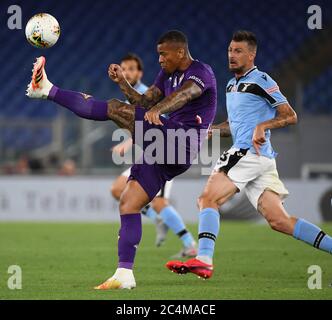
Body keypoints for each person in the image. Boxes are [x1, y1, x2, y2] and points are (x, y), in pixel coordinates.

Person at [26, 30, 217, 289]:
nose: (159, 59)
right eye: (158, 54)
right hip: (165, 146)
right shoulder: (166, 75)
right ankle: (124, 275)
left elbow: (184, 95)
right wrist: (123, 83)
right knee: (128, 202)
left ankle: (47, 90)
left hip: (180, 142)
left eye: (164, 54)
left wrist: (158, 110)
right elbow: (143, 100)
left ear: (180, 52)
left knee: (115, 109)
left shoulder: (200, 72)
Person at [166, 30, 332, 280]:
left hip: (248, 154)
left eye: (238, 51)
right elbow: (235, 125)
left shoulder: (261, 80)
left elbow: (290, 115)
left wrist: (263, 126)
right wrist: (211, 130)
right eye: (230, 50)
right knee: (280, 221)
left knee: (207, 199)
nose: (232, 55)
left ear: (252, 55)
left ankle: (204, 259)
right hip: (260, 160)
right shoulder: (232, 85)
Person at [111, 53, 197, 253]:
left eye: (131, 69)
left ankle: (190, 244)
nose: (126, 72)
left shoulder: (143, 94)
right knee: (117, 190)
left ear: (139, 73)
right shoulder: (130, 94)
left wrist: (129, 142)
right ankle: (158, 220)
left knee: (159, 202)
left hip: (165, 153)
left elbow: (158, 122)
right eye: (123, 68)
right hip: (148, 155)